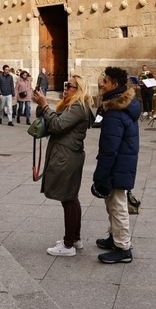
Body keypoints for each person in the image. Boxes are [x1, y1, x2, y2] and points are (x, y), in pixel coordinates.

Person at [33, 75, 94, 257]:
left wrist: (45, 105)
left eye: (69, 86)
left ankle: (68, 245)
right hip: (67, 155)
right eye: (65, 84)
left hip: (67, 157)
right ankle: (74, 238)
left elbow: (58, 125)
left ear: (79, 89)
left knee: (68, 199)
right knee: (70, 198)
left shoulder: (77, 107)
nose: (65, 88)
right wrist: (41, 105)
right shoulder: (70, 105)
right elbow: (50, 122)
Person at [91, 66, 141, 264]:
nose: (101, 83)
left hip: (117, 165)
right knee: (112, 204)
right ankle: (115, 237)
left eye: (105, 80)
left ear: (114, 84)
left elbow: (110, 148)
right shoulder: (117, 106)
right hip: (121, 163)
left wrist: (101, 175)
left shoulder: (115, 112)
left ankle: (123, 248)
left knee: (118, 206)